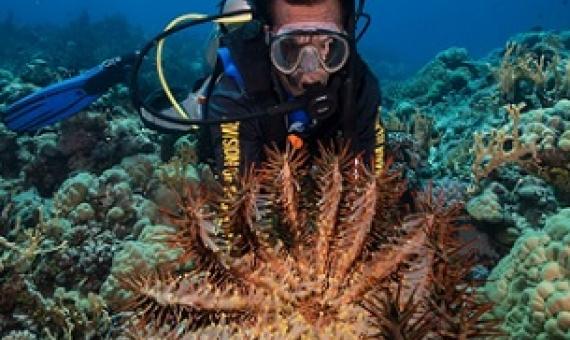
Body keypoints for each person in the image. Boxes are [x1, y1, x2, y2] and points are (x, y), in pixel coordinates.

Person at [206, 0, 383, 183]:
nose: (309, 76)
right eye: (289, 47)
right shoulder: (236, 91)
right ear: (268, 38)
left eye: (326, 45)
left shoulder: (360, 85)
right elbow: (237, 194)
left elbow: (373, 181)